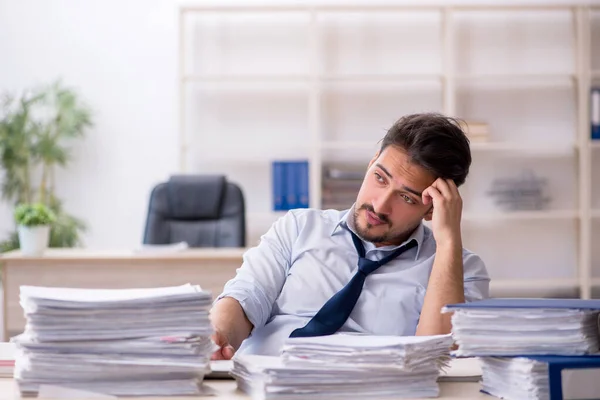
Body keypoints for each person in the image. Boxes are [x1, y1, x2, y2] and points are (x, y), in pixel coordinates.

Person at [210, 112, 490, 359]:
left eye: (406, 197)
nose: (380, 205)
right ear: (370, 165)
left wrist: (449, 240)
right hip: (262, 380)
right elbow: (247, 297)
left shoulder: (462, 269)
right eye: (380, 178)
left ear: (432, 209)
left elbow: (439, 358)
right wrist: (218, 335)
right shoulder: (299, 227)